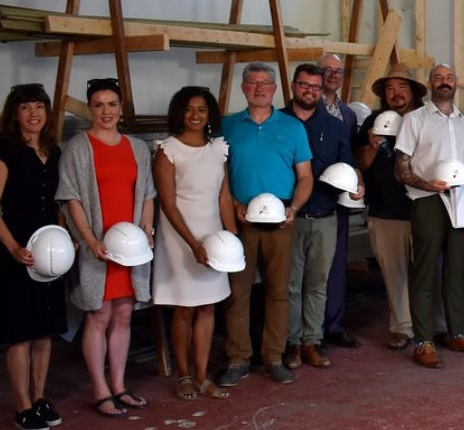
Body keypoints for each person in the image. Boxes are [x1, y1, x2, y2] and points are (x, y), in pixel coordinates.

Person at [56, 78, 156, 416]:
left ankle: (119, 384)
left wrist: (146, 229)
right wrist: (89, 239)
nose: (106, 111)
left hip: (130, 247)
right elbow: (70, 197)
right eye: (98, 105)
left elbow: (147, 194)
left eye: (112, 104)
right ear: (90, 109)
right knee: (98, 315)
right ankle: (100, 388)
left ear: (120, 108)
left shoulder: (138, 147)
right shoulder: (77, 147)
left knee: (124, 313)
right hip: (97, 246)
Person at [219, 62, 313, 387]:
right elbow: (219, 175)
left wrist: (294, 208)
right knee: (237, 292)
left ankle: (273, 355)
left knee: (279, 291)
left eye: (265, 83)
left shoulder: (292, 127)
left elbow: (305, 177)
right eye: (252, 83)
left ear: (275, 89)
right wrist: (233, 205)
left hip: (280, 223)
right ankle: (238, 358)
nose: (259, 88)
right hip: (240, 221)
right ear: (243, 89)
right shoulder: (227, 126)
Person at [395, 63, 464, 368]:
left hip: (463, 204)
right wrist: (426, 184)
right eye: (438, 78)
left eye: (449, 77)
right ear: (430, 83)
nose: (444, 82)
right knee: (424, 271)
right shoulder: (414, 120)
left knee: (455, 271)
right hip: (427, 201)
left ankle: (457, 332)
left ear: (457, 83)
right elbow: (401, 167)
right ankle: (423, 340)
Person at [0, 84, 66, 430]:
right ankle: (22, 406)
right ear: (14, 113)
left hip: (51, 254)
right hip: (17, 254)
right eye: (25, 108)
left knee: (44, 332)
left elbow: (61, 201)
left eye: (39, 107)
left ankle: (38, 397)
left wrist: (66, 239)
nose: (33, 114)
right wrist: (13, 247)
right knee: (19, 333)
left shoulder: (54, 150)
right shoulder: (4, 154)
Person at [152, 86, 236, 400]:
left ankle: (202, 377)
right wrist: (192, 244)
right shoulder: (168, 149)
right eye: (189, 109)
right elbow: (168, 204)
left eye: (202, 109)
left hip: (213, 236)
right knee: (184, 308)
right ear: (179, 113)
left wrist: (231, 238)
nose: (195, 115)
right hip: (179, 238)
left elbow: (223, 196)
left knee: (207, 305)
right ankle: (183, 375)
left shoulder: (218, 148)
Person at [281, 64, 359, 369]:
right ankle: (291, 344)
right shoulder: (278, 123)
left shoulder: (336, 127)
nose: (310, 90)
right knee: (289, 285)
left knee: (317, 284)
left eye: (315, 86)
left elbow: (348, 166)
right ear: (293, 86)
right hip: (287, 218)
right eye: (304, 85)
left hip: (325, 215)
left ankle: (312, 341)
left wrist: (357, 185)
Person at [355, 63, 431, 350]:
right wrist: (372, 147)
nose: (396, 93)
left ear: (413, 91)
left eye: (402, 87)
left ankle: (429, 325)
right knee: (394, 273)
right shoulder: (374, 121)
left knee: (427, 271)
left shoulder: (427, 118)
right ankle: (402, 327)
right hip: (385, 210)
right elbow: (359, 163)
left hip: (424, 208)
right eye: (390, 88)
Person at [316, 53, 362, 348]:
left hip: (340, 200)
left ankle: (333, 324)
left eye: (338, 71)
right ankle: (311, 330)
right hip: (312, 198)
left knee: (336, 265)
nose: (333, 75)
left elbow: (353, 156)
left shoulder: (348, 115)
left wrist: (358, 182)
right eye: (327, 71)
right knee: (313, 269)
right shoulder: (303, 111)